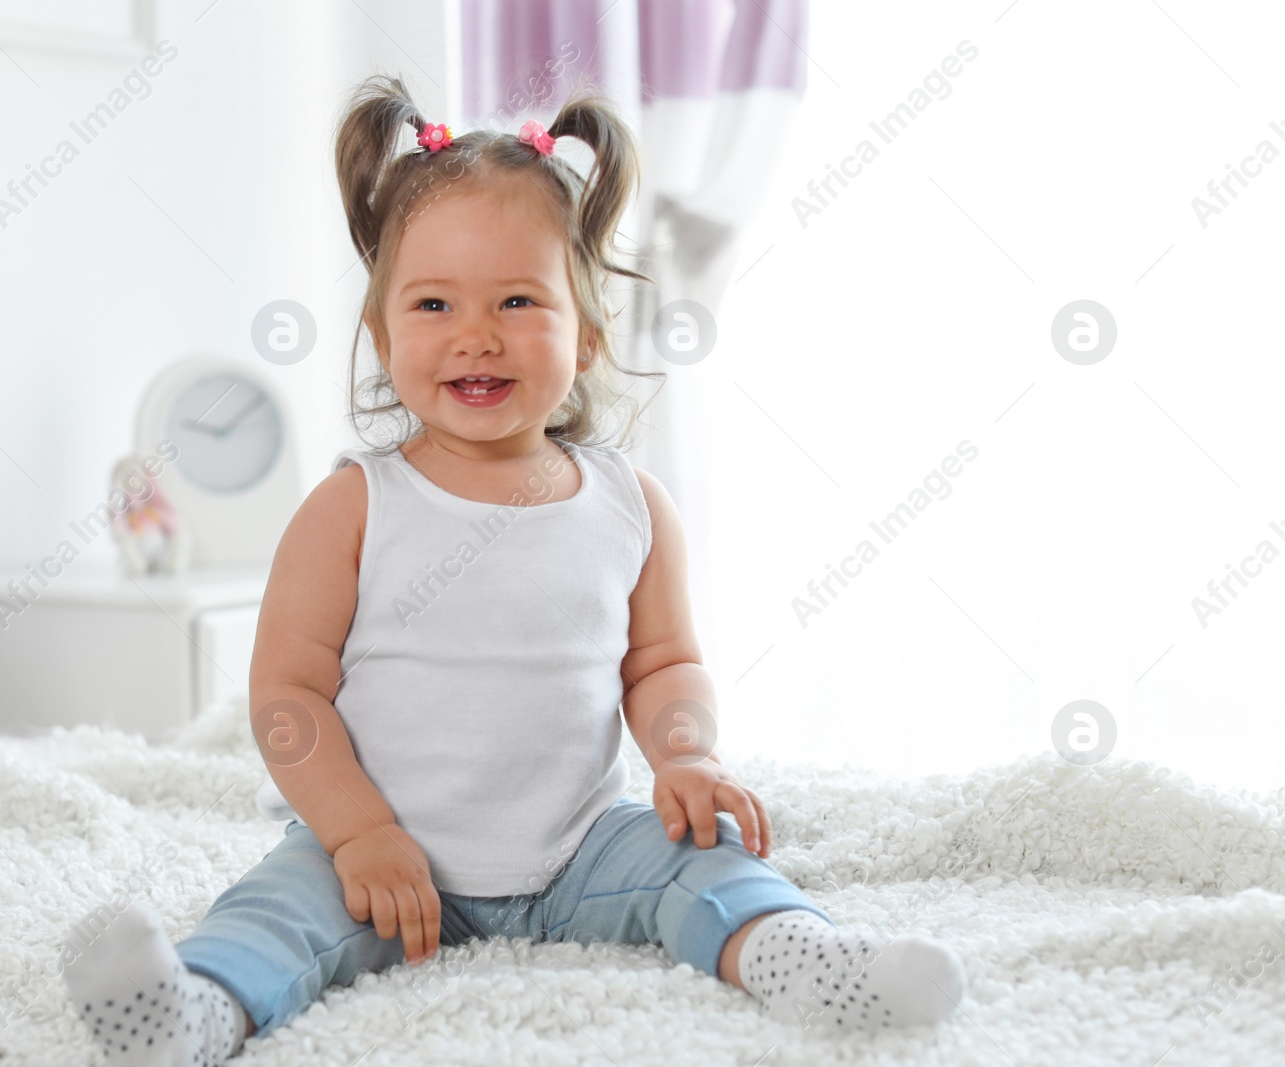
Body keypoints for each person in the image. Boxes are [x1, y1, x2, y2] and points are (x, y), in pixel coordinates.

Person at [62, 73, 966, 1065]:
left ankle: (807, 961)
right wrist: (358, 832)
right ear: (383, 333)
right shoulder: (353, 506)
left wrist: (683, 757)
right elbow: (286, 693)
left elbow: (662, 660)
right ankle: (190, 1010)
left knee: (709, 863)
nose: (475, 332)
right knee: (279, 909)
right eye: (435, 301)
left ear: (585, 334)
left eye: (517, 299)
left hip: (580, 845)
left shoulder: (629, 503)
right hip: (383, 853)